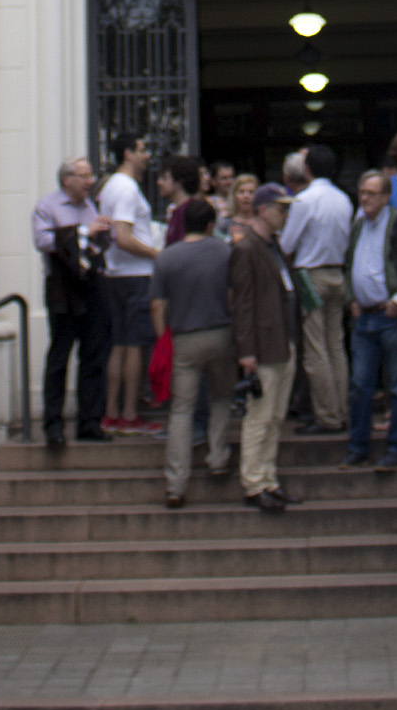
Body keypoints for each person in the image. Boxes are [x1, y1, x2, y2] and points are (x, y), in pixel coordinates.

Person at [149, 194, 236, 507]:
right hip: (221, 332)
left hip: (184, 338)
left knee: (182, 409)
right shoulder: (224, 252)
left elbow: (157, 305)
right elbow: (232, 296)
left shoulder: (167, 258)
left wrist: (164, 339)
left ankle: (176, 482)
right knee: (221, 397)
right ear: (211, 224)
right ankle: (217, 457)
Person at [342, 169, 397, 468]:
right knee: (360, 385)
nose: (364, 198)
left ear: (386, 197)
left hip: (392, 318)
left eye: (371, 193)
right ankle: (358, 446)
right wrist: (350, 298)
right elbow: (349, 264)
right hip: (363, 319)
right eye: (362, 192)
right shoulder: (357, 225)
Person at [31, 156, 113, 446]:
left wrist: (102, 233)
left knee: (93, 355)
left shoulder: (90, 207)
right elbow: (43, 241)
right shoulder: (47, 206)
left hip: (90, 284)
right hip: (62, 287)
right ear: (67, 180)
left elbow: (93, 246)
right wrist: (83, 232)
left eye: (91, 176)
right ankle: (53, 425)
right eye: (84, 176)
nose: (90, 181)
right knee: (60, 355)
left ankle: (89, 422)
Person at [227, 181, 298, 510]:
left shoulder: (273, 245)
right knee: (260, 416)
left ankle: (268, 477)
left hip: (283, 340)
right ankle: (254, 482)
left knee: (275, 416)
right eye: (281, 209)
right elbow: (242, 303)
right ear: (263, 210)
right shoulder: (247, 248)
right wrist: (247, 351)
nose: (285, 215)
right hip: (265, 345)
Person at [281, 142, 354, 434]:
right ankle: (341, 408)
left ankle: (327, 415)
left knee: (315, 349)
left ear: (307, 170)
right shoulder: (344, 199)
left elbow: (287, 244)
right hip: (338, 273)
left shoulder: (305, 200)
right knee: (336, 344)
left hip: (311, 276)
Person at [97, 134, 160, 432]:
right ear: (128, 153)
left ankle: (112, 412)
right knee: (134, 345)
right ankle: (130, 414)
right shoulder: (126, 187)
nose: (146, 156)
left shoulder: (110, 186)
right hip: (135, 275)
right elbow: (122, 237)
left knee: (120, 344)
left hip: (116, 275)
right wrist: (155, 254)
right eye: (142, 149)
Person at [159, 152, 204, 248]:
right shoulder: (177, 211)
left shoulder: (189, 213)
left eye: (165, 178)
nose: (159, 182)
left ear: (179, 182)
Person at [220, 171, 258, 240]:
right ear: (234, 195)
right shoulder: (224, 223)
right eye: (241, 192)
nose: (246, 196)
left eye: (251, 192)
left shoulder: (262, 223)